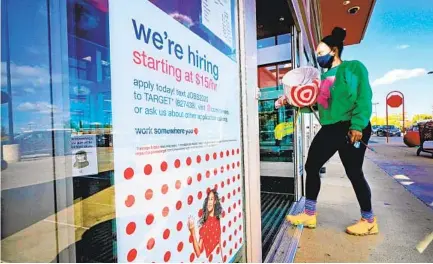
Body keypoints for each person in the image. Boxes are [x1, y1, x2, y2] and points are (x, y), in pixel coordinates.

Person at [286, 27, 378, 236]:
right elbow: (318, 105)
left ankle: (369, 220)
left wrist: (357, 125)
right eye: (317, 54)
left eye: (321, 53)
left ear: (334, 51)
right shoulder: (325, 77)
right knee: (311, 165)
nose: (319, 57)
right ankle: (309, 214)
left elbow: (364, 96)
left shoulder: (353, 68)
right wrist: (291, 101)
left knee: (354, 173)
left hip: (351, 126)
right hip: (331, 128)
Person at [188, 189, 224, 262]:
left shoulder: (217, 218)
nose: (209, 202)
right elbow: (198, 253)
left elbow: (219, 241)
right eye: (208, 199)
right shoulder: (205, 225)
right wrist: (192, 232)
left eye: (211, 199)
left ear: (215, 201)